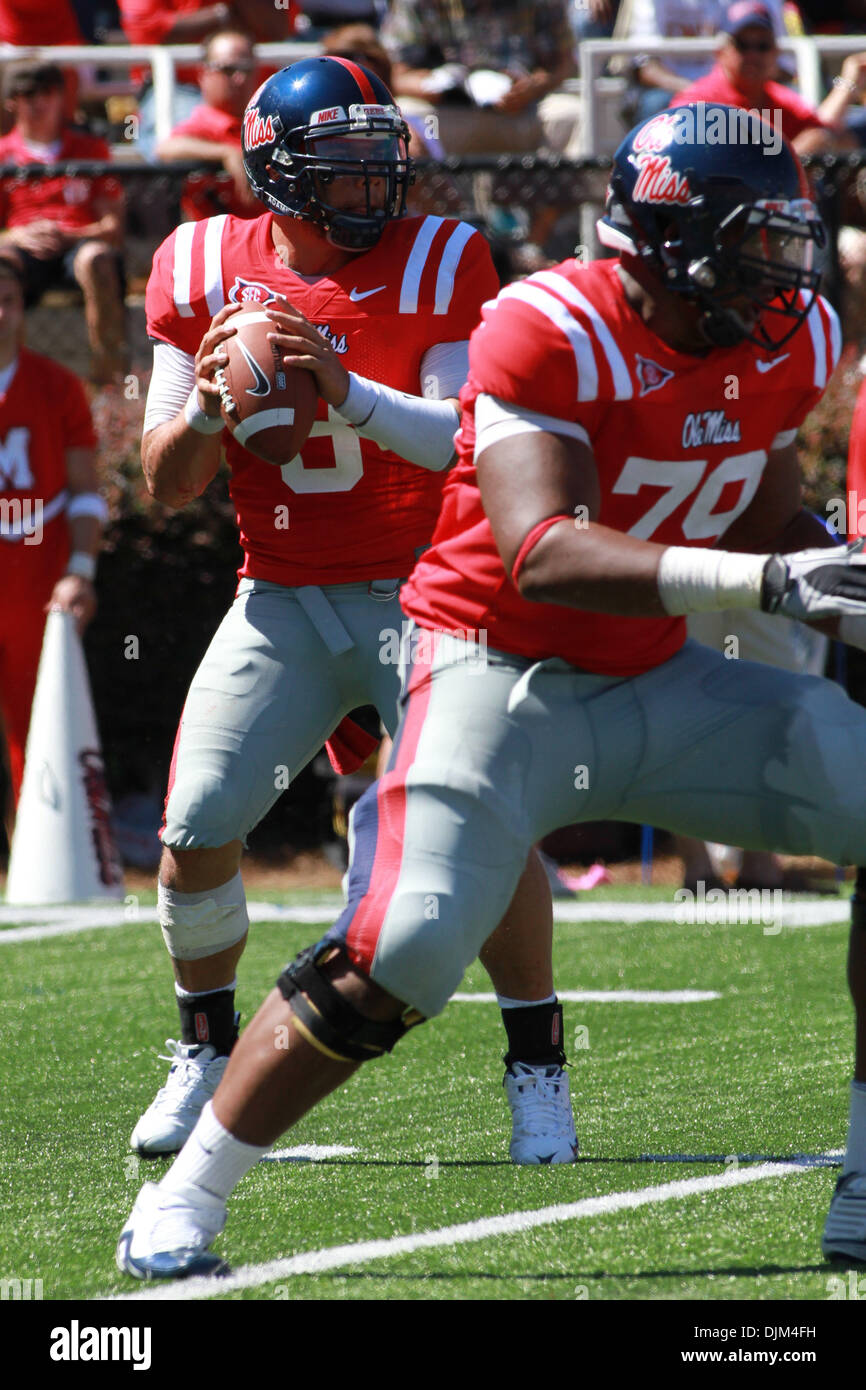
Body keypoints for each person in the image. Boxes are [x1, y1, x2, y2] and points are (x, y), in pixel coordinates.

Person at [118, 102, 866, 1278]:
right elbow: (541, 545)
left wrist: (828, 563)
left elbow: (761, 486)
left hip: (658, 676)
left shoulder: (789, 334)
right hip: (492, 673)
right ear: (671, 240)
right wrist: (775, 579)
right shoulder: (548, 321)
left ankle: (863, 1175)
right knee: (401, 948)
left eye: (789, 238)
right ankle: (192, 1189)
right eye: (756, 239)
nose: (785, 269)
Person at [126, 55, 577, 1180]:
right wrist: (222, 408)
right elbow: (162, 479)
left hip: (423, 586)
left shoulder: (440, 258)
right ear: (276, 176)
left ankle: (537, 1065)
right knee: (192, 827)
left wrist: (339, 388)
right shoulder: (192, 265)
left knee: (492, 827)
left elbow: (464, 440)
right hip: (278, 589)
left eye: (384, 159)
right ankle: (201, 1048)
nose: (380, 186)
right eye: (348, 165)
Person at [0, 258, 106, 824]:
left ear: (23, 308)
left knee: (36, 730)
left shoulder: (57, 386)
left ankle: (33, 869)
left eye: (9, 299)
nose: (0, 312)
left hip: (36, 571)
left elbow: (87, 491)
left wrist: (81, 569)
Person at [0, 62, 126, 385]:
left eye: (48, 92)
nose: (39, 102)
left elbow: (113, 225)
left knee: (96, 257)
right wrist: (16, 235)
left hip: (79, 243)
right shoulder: (3, 154)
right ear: (12, 101)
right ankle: (9, 377)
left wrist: (69, 235)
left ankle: (109, 380)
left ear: (61, 97)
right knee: (2, 262)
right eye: (28, 94)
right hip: (22, 248)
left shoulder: (91, 149)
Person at [381, 0, 582, 158]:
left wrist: (534, 86)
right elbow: (398, 74)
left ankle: (550, 209)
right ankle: (440, 208)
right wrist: (435, 88)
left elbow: (566, 64)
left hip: (523, 111)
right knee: (406, 120)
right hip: (449, 114)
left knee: (571, 116)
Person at [671, 0, 866, 156]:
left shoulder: (781, 99)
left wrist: (848, 83)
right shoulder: (696, 102)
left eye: (762, 46)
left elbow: (822, 131)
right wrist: (789, 158)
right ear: (721, 51)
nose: (753, 55)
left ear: (775, 52)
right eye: (743, 45)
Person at [155, 28, 260, 220]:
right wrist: (226, 153)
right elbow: (165, 149)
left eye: (246, 68)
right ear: (203, 74)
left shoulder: (264, 122)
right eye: (228, 69)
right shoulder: (200, 125)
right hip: (216, 241)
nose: (240, 78)